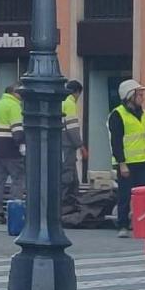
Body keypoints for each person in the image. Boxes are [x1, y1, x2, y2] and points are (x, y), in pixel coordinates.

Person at [108, 79, 145, 237]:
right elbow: (116, 141)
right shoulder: (117, 115)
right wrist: (122, 163)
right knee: (125, 195)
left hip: (143, 161)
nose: (142, 97)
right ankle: (122, 225)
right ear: (129, 96)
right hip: (126, 164)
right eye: (139, 94)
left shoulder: (144, 114)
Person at [0, 84, 24, 224]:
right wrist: (22, 144)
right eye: (20, 92)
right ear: (14, 93)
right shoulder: (14, 106)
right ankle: (15, 213)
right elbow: (17, 130)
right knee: (18, 180)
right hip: (11, 149)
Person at [60, 80, 85, 208]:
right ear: (77, 92)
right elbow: (72, 128)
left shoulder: (60, 101)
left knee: (73, 179)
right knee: (67, 176)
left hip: (62, 145)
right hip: (67, 146)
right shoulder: (69, 103)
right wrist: (80, 145)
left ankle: (74, 205)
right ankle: (64, 206)